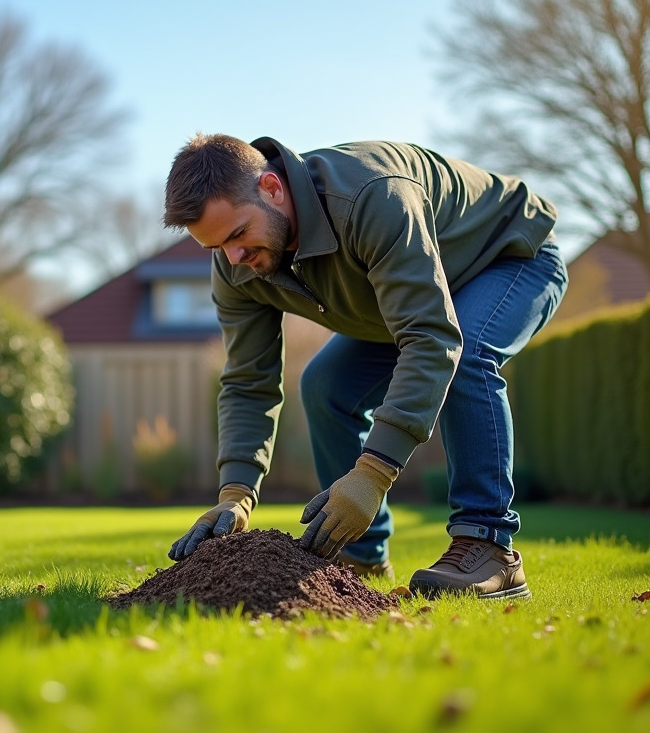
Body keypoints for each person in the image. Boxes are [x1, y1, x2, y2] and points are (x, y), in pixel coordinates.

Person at [163, 134, 567, 599]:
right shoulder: (236, 265)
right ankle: (363, 557)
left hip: (507, 256)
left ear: (272, 188)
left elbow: (431, 337)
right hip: (411, 302)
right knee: (325, 386)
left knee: (468, 353)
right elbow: (247, 380)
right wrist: (236, 494)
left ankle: (488, 545)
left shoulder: (371, 196)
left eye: (237, 234)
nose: (234, 257)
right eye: (216, 247)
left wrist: (372, 474)